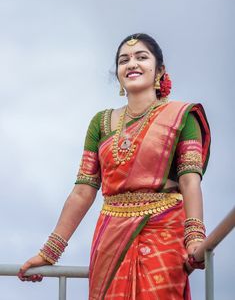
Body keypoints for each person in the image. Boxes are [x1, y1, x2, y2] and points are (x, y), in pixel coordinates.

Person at [18, 33, 211, 299]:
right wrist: (49, 252)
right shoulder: (101, 122)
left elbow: (190, 181)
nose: (132, 64)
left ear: (160, 71)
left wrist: (195, 238)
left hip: (163, 233)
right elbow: (83, 191)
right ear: (118, 73)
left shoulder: (181, 117)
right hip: (110, 237)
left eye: (141, 57)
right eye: (124, 60)